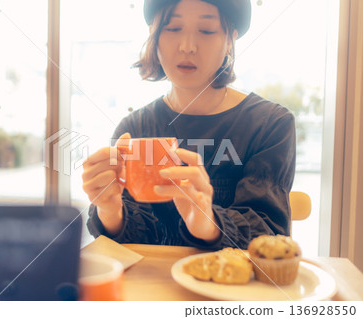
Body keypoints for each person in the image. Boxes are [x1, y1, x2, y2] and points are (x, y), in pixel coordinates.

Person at [82, 0, 296, 250]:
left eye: (206, 31)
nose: (187, 47)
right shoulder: (135, 128)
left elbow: (270, 235)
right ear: (154, 35)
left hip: (234, 287)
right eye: (172, 29)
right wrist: (109, 210)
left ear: (230, 39)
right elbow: (131, 246)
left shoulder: (269, 125)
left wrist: (209, 223)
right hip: (152, 286)